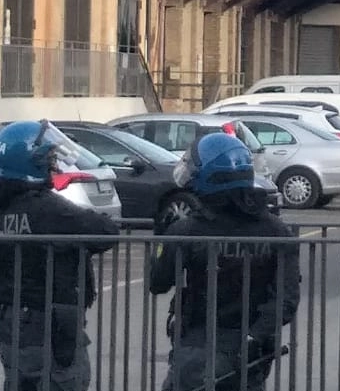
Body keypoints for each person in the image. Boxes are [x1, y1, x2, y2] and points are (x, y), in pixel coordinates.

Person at [151, 133, 300, 391]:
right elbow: (286, 296)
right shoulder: (276, 229)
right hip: (253, 350)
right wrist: (255, 336)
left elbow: (158, 282)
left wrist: (164, 239)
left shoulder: (189, 229)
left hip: (199, 346)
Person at [0, 120, 119, 391]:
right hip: (48, 317)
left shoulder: (7, 203)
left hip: (12, 314)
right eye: (49, 158)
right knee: (65, 380)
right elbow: (105, 232)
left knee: (22, 380)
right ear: (31, 163)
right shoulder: (45, 207)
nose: (53, 165)